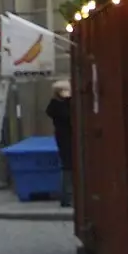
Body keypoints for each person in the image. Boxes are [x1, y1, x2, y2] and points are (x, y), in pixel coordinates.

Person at [46, 79, 73, 207]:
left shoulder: (58, 105)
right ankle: (67, 197)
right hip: (65, 138)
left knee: (69, 166)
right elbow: (67, 116)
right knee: (68, 166)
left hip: (65, 137)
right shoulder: (58, 106)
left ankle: (68, 196)